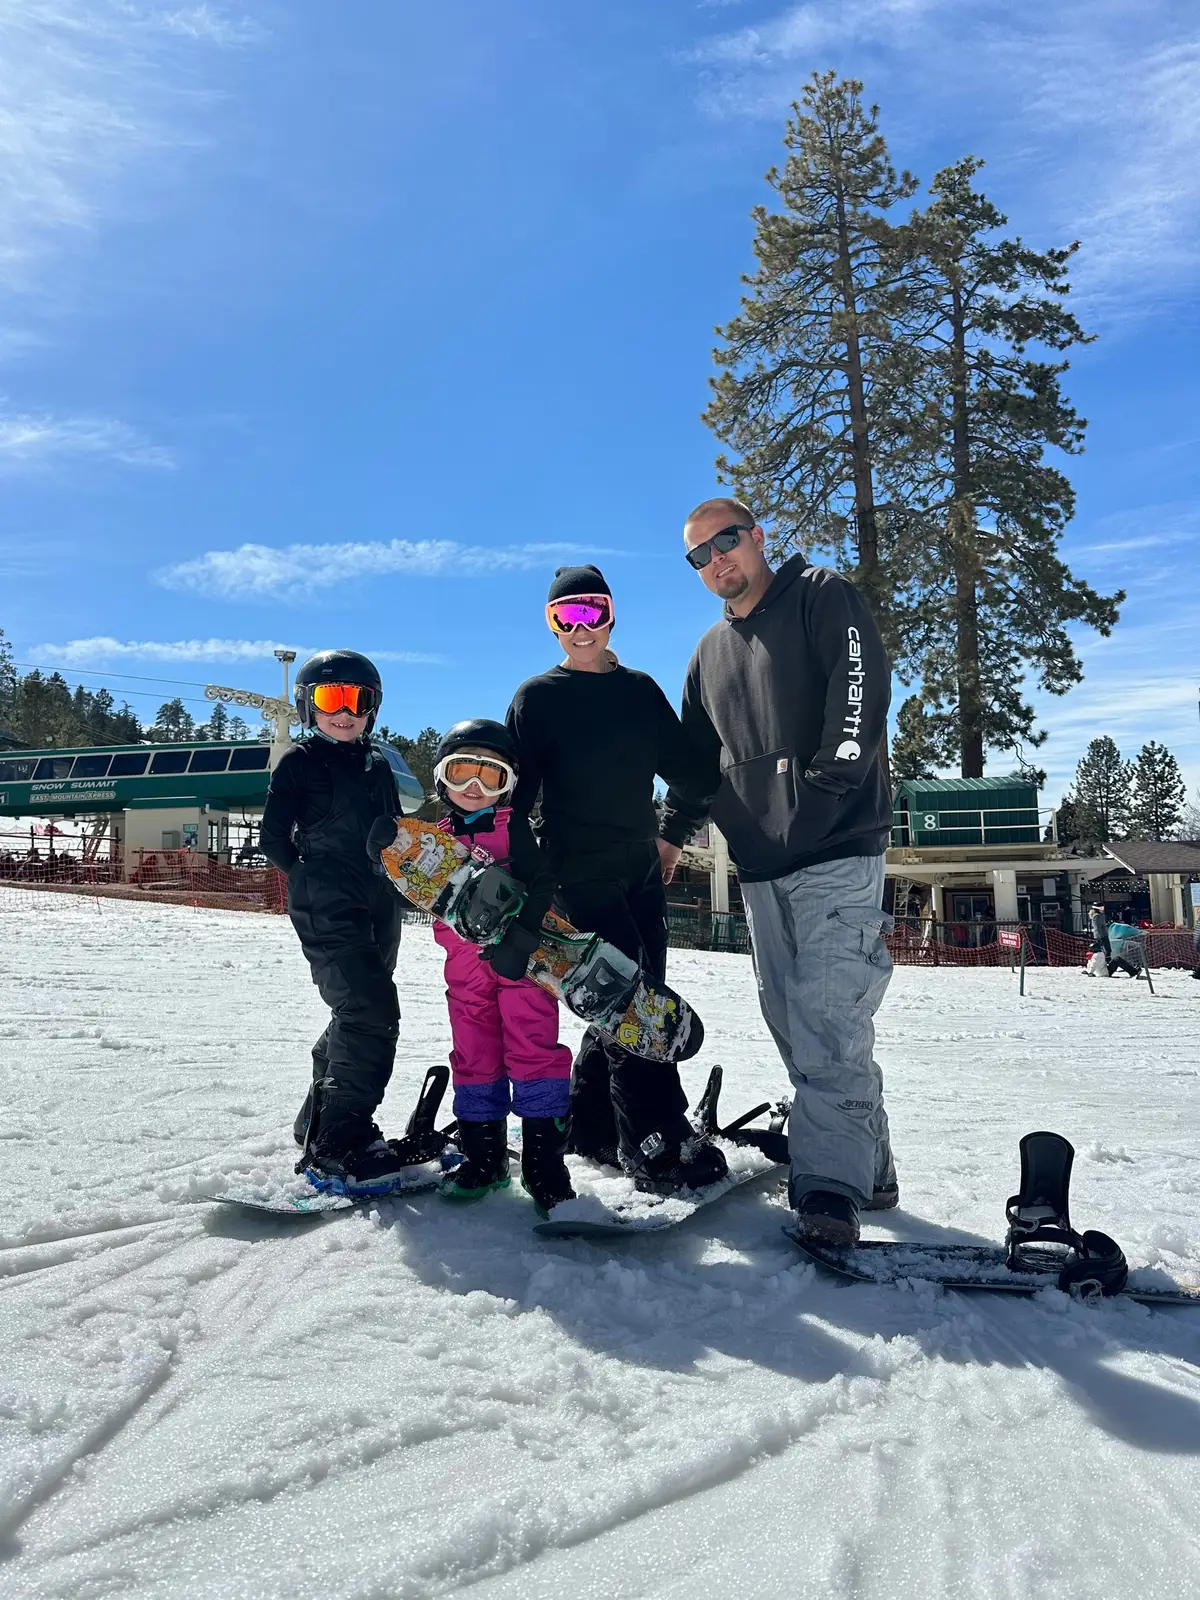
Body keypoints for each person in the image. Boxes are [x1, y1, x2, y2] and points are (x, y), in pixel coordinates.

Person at [660, 497, 896, 1247]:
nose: (715, 560)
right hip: (762, 865)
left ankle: (828, 1189)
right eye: (699, 555)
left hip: (835, 849)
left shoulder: (822, 597)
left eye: (724, 542)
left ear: (758, 537)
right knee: (799, 1027)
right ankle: (871, 1169)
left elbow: (859, 701)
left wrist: (823, 796)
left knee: (829, 1019)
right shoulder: (707, 655)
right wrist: (669, 838)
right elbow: (697, 765)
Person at [506, 565, 727, 1195]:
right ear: (551, 624)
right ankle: (656, 1139)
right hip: (575, 870)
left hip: (638, 867)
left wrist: (671, 833)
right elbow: (515, 801)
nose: (580, 628)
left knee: (638, 989)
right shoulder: (537, 698)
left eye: (591, 612)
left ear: (610, 616)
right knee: (632, 1003)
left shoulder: (638, 691)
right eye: (565, 616)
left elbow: (693, 771)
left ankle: (593, 1122)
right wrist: (526, 877)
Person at [259, 649, 429, 1196]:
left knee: (358, 1007)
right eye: (332, 698)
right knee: (369, 1009)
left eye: (357, 700)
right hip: (328, 904)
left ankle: (317, 1117)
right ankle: (339, 1141)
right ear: (311, 705)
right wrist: (313, 880)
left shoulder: (378, 764)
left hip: (379, 902)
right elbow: (272, 838)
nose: (345, 711)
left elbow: (391, 832)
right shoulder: (299, 763)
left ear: (372, 708)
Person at [428, 719, 576, 1215]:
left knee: (532, 1046)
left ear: (508, 784)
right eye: (461, 774)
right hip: (465, 971)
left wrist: (525, 936)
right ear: (441, 780)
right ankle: (483, 1157)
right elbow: (411, 885)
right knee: (473, 1052)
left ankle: (544, 1168)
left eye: (488, 778)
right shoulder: (433, 840)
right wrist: (381, 851)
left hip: (521, 964)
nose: (473, 789)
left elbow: (542, 881)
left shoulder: (514, 829)